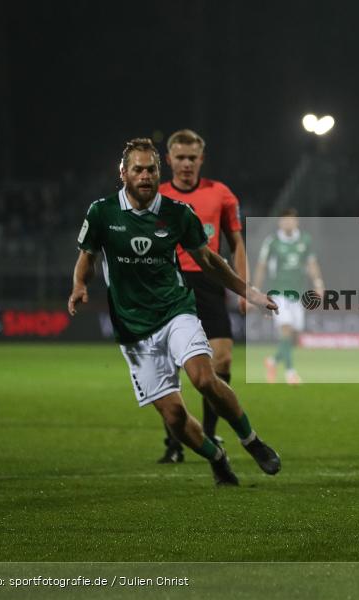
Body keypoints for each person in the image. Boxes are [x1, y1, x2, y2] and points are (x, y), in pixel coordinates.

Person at [68, 138, 282, 486]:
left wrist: (251, 293)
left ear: (158, 171)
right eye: (137, 168)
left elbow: (210, 261)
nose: (145, 175)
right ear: (123, 173)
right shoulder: (102, 212)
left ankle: (252, 441)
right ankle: (217, 456)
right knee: (174, 416)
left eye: (151, 169)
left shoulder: (178, 213)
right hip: (133, 329)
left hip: (175, 312)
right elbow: (86, 259)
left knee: (203, 378)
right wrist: (79, 285)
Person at [153, 129, 246, 464]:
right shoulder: (158, 196)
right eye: (180, 157)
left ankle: (208, 432)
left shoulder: (220, 194)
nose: (186, 164)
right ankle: (175, 441)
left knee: (221, 360)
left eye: (192, 158)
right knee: (170, 367)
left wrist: (242, 289)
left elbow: (236, 245)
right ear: (169, 160)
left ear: (201, 159)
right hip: (171, 285)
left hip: (210, 282)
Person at [251, 208, 325, 385]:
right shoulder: (273, 242)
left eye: (291, 220)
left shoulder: (305, 240)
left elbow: (312, 263)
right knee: (285, 328)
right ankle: (290, 373)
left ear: (296, 222)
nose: (287, 223)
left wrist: (319, 284)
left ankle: (273, 361)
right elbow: (261, 266)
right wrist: (255, 291)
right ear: (279, 223)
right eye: (284, 220)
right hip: (279, 293)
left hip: (298, 294)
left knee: (294, 334)